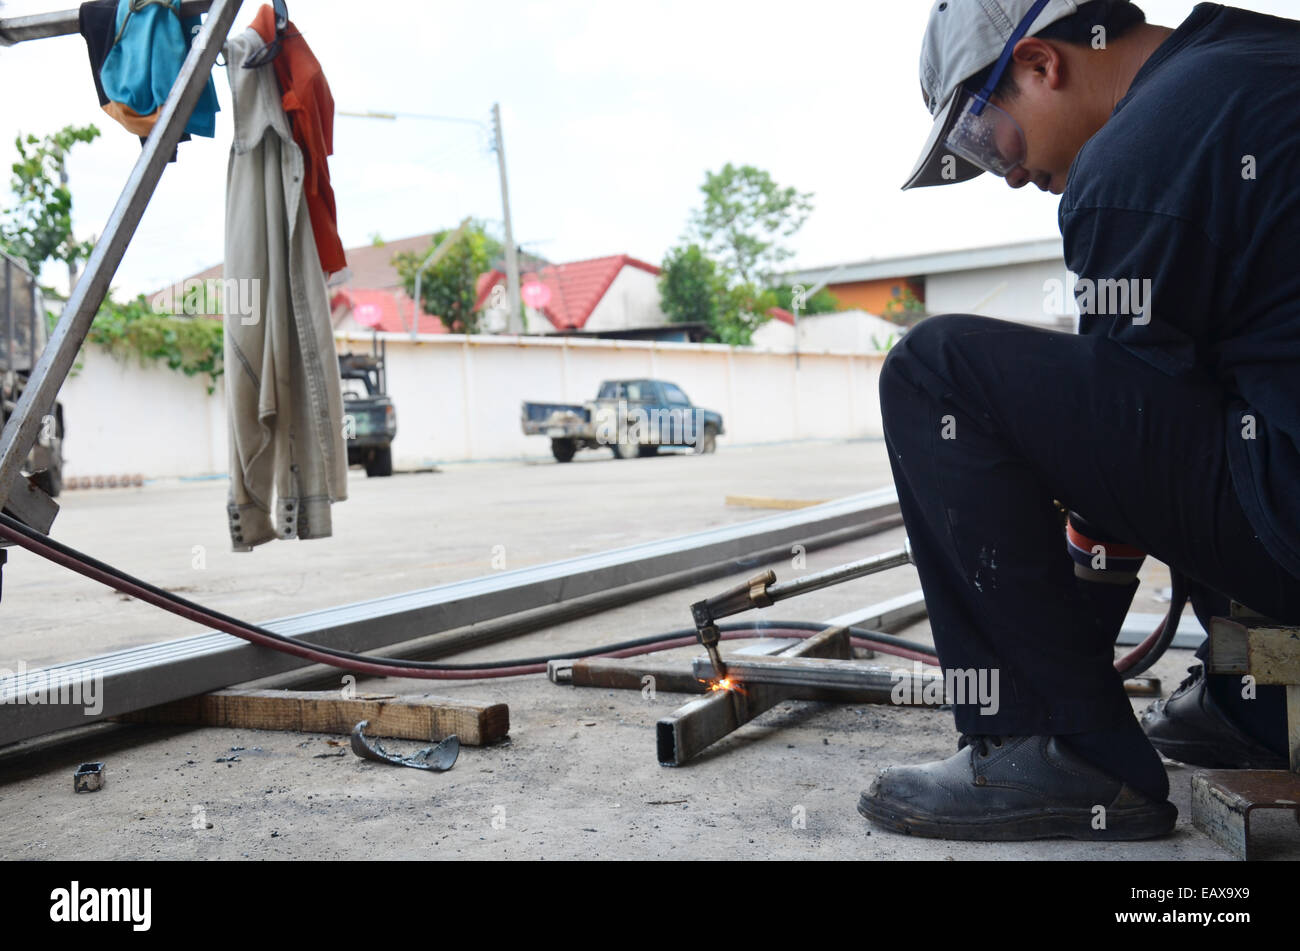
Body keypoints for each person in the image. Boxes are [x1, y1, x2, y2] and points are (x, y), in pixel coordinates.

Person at [858, 0, 1300, 841]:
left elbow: (1115, 467)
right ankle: (1258, 695)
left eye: (989, 140)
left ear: (1041, 63)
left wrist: (1064, 651)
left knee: (935, 372)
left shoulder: (1140, 160)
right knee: (1233, 398)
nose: (1008, 174)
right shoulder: (1258, 56)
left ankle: (1055, 744)